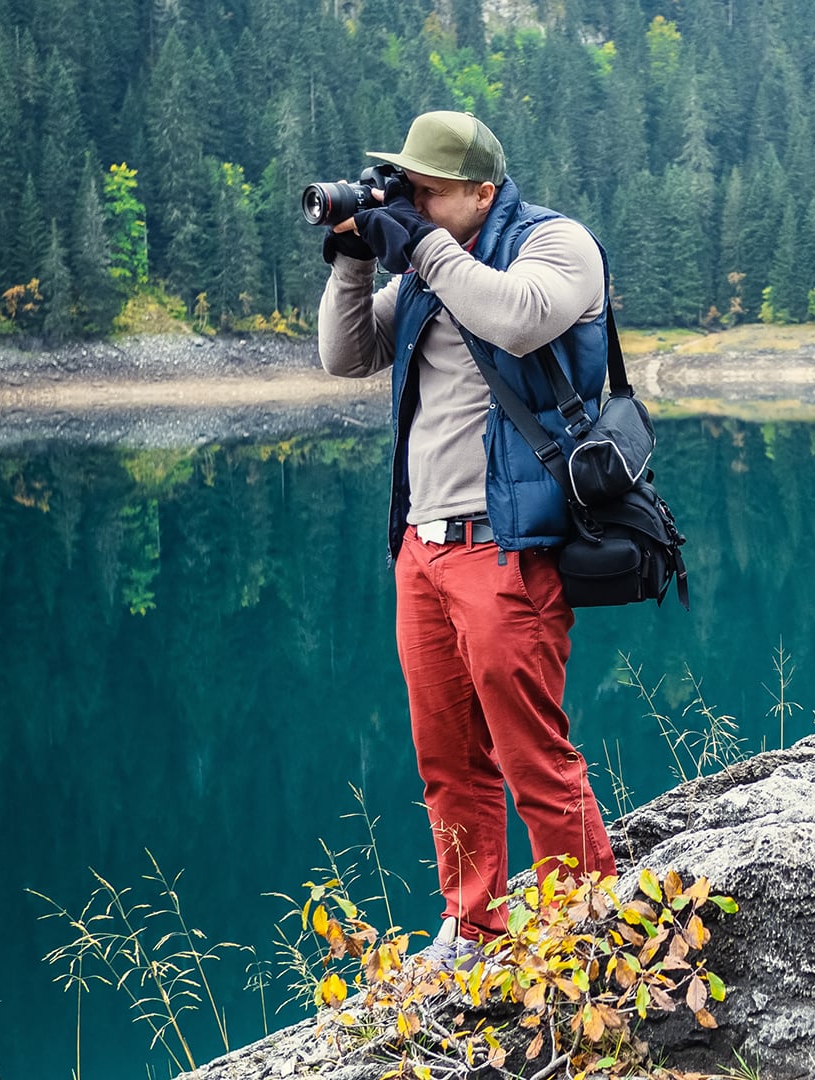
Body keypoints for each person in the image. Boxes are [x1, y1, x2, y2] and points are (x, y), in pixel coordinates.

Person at [316, 110, 616, 961]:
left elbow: (518, 318)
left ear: (483, 192)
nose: (410, 203)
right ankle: (474, 921)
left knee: (530, 753)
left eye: (428, 191)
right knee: (447, 757)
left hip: (508, 544)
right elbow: (346, 355)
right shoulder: (425, 268)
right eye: (403, 190)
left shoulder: (554, 245)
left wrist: (422, 247)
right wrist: (353, 257)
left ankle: (584, 924)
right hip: (423, 546)